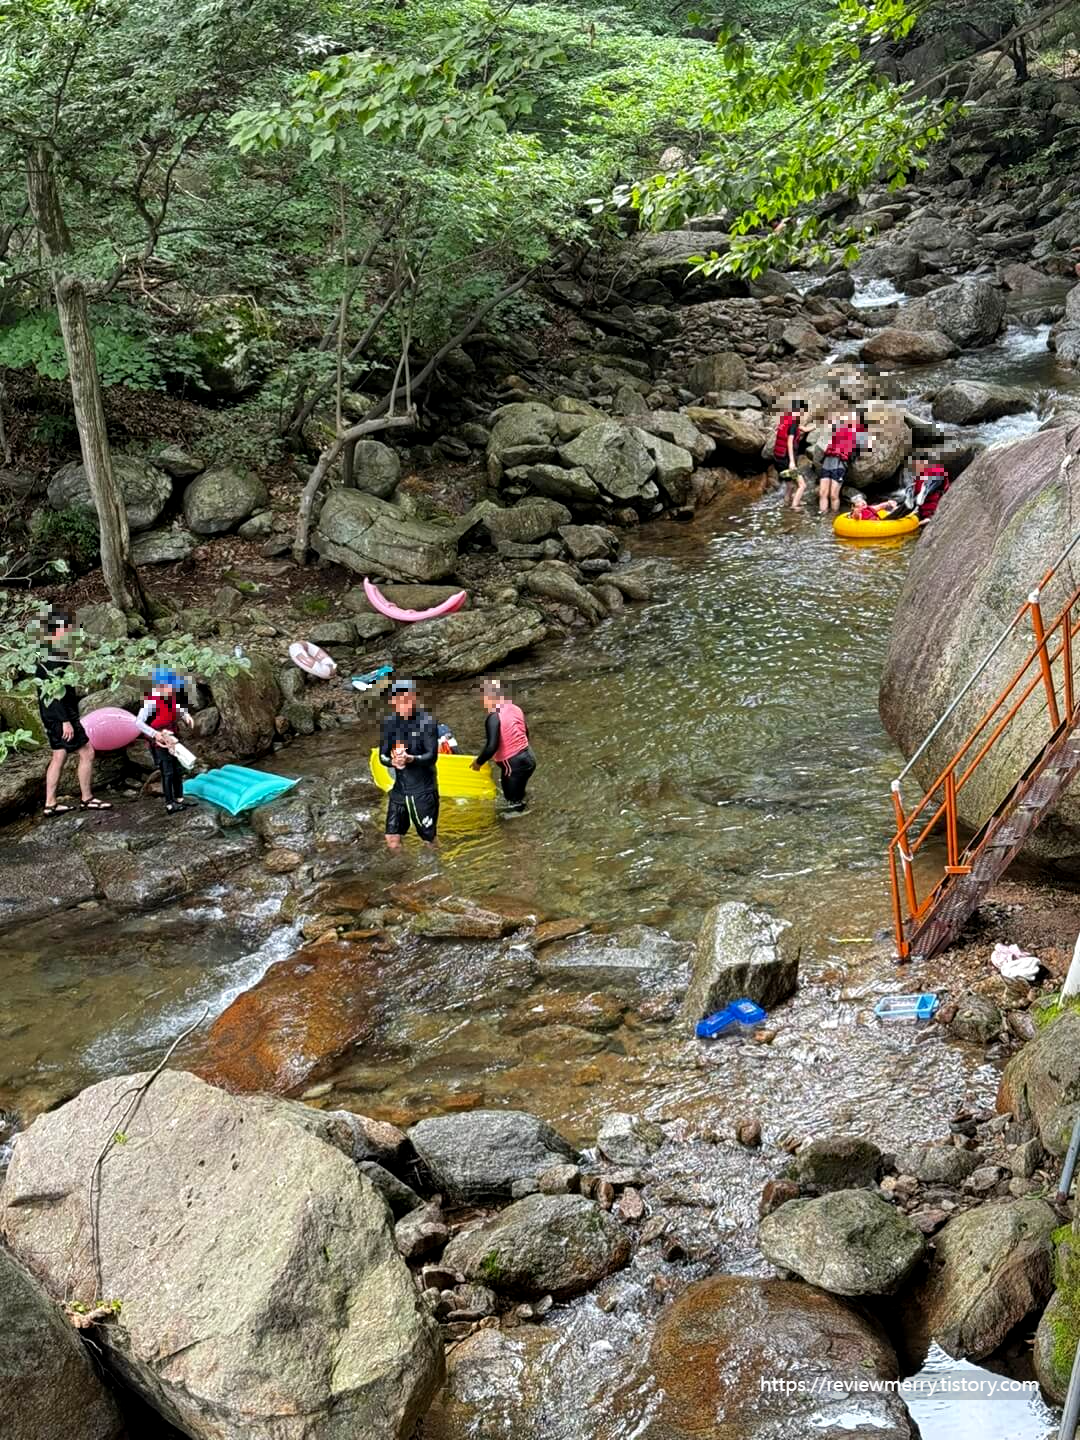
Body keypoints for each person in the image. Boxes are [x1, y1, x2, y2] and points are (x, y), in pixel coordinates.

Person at [35, 606, 111, 816]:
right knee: (87, 752)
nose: (69, 631)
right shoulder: (52, 657)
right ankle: (87, 798)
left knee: (59, 756)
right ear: (55, 631)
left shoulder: (47, 653)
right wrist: (65, 721)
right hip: (61, 716)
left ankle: (50, 803)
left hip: (53, 716)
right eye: (66, 628)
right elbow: (53, 692)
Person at [378, 679, 439, 849]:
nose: (404, 705)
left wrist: (411, 759)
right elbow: (381, 756)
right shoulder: (389, 724)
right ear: (392, 702)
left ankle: (439, 872)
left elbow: (432, 756)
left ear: (414, 698)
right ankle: (404, 873)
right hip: (400, 789)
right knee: (391, 838)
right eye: (399, 701)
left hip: (423, 790)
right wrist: (393, 762)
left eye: (408, 699)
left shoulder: (426, 722)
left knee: (429, 840)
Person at [471, 679, 536, 810]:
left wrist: (478, 762)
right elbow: (525, 733)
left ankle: (514, 828)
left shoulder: (495, 716)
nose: (482, 702)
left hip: (513, 765)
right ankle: (527, 813)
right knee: (519, 793)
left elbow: (491, 746)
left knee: (511, 803)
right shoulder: (515, 708)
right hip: (529, 758)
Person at [137, 669, 195, 814]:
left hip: (173, 738)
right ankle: (170, 803)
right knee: (167, 772)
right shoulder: (151, 702)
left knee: (178, 769)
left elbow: (178, 708)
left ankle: (180, 798)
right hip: (160, 741)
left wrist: (186, 715)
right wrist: (154, 734)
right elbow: (138, 722)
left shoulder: (172, 697)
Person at [818, 413, 867, 514]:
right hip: (828, 460)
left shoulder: (860, 431)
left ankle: (832, 517)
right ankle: (823, 517)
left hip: (840, 463)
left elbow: (861, 447)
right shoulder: (840, 426)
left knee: (833, 495)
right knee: (822, 493)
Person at [772, 400, 808, 509]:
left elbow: (803, 429)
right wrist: (792, 462)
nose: (803, 414)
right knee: (802, 485)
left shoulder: (786, 419)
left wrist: (815, 426)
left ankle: (786, 503)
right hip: (786, 460)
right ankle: (794, 506)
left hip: (778, 459)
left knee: (790, 485)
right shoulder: (792, 424)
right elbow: (790, 443)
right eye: (802, 411)